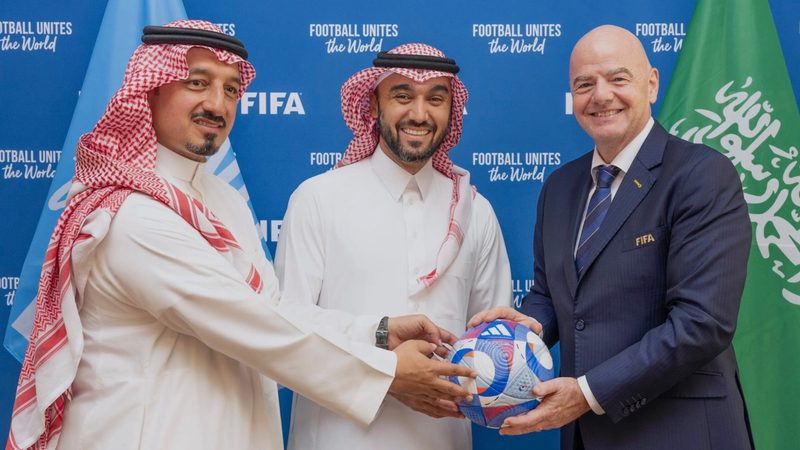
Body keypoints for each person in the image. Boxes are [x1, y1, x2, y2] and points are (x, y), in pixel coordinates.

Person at [6, 21, 475, 450]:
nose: (216, 103)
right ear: (149, 90)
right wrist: (389, 374)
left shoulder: (218, 198)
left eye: (230, 89)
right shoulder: (130, 215)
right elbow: (255, 330)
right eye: (197, 83)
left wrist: (376, 332)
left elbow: (269, 310)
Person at [470, 25, 754, 450]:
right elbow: (551, 293)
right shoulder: (559, 187)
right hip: (587, 439)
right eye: (584, 84)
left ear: (651, 83)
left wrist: (586, 394)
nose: (601, 96)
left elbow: (702, 323)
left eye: (618, 78)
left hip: (683, 432)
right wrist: (528, 328)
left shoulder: (701, 175)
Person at [275, 43, 513, 450]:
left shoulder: (476, 211)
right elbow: (284, 334)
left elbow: (491, 344)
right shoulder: (318, 199)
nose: (419, 114)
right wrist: (386, 376)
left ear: (451, 112)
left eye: (435, 99)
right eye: (402, 96)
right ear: (373, 105)